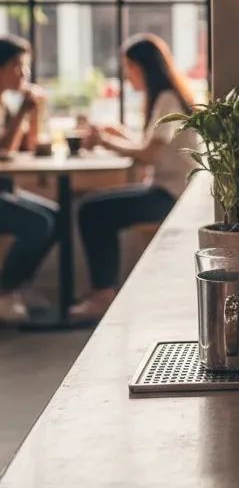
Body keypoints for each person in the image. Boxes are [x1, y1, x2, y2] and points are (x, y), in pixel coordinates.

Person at [69, 33, 197, 322]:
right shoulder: (167, 98)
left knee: (92, 210)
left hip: (173, 197)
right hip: (167, 191)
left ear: (142, 67)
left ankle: (102, 294)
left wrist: (105, 141)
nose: (127, 75)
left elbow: (149, 155)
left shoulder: (167, 99)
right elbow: (154, 148)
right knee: (95, 208)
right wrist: (119, 135)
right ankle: (103, 292)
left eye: (129, 67)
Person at [0, 35, 57, 324]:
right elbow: (3, 151)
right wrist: (23, 108)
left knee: (54, 216)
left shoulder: (4, 104)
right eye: (17, 66)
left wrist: (35, 112)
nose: (23, 74)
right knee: (38, 223)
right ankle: (5, 291)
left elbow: (27, 147)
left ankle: (18, 286)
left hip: (6, 188)